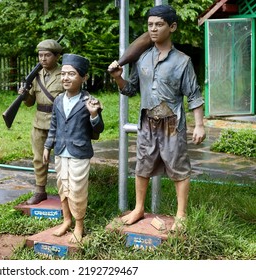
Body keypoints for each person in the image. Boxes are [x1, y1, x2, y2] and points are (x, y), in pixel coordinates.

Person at [108, 5, 206, 231]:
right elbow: (130, 89)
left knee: (178, 168)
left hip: (172, 124)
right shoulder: (142, 59)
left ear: (172, 27)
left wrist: (199, 124)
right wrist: (118, 78)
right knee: (142, 166)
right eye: (150, 25)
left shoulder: (183, 61)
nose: (153, 29)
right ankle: (138, 208)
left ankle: (181, 214)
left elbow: (194, 94)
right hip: (147, 123)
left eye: (159, 24)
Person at [43, 54, 104, 243]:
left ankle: (79, 225)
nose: (66, 78)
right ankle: (66, 220)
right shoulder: (59, 100)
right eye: (63, 74)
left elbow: (99, 129)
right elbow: (54, 125)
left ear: (83, 78)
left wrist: (94, 114)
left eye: (72, 74)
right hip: (61, 151)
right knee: (63, 186)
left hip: (79, 152)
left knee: (77, 189)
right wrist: (47, 146)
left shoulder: (89, 101)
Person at [19, 39, 64, 205]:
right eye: (40, 55)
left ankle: (65, 192)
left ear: (57, 56)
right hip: (39, 122)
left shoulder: (64, 73)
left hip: (59, 122)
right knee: (38, 158)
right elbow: (30, 102)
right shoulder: (36, 76)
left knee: (61, 158)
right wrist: (24, 95)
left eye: (47, 55)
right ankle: (40, 190)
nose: (43, 59)